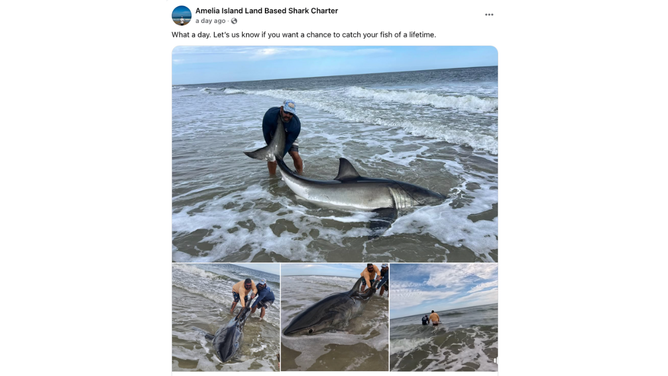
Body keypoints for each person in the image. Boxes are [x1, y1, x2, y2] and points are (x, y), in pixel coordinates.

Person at [262, 99, 303, 175]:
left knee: (295, 154)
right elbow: (266, 133)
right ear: (281, 108)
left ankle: (300, 174)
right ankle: (272, 177)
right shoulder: (270, 115)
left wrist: (280, 157)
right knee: (271, 158)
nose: (288, 115)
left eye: (291, 114)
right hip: (273, 135)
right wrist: (271, 149)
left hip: (288, 136)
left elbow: (288, 143)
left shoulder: (295, 125)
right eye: (286, 112)